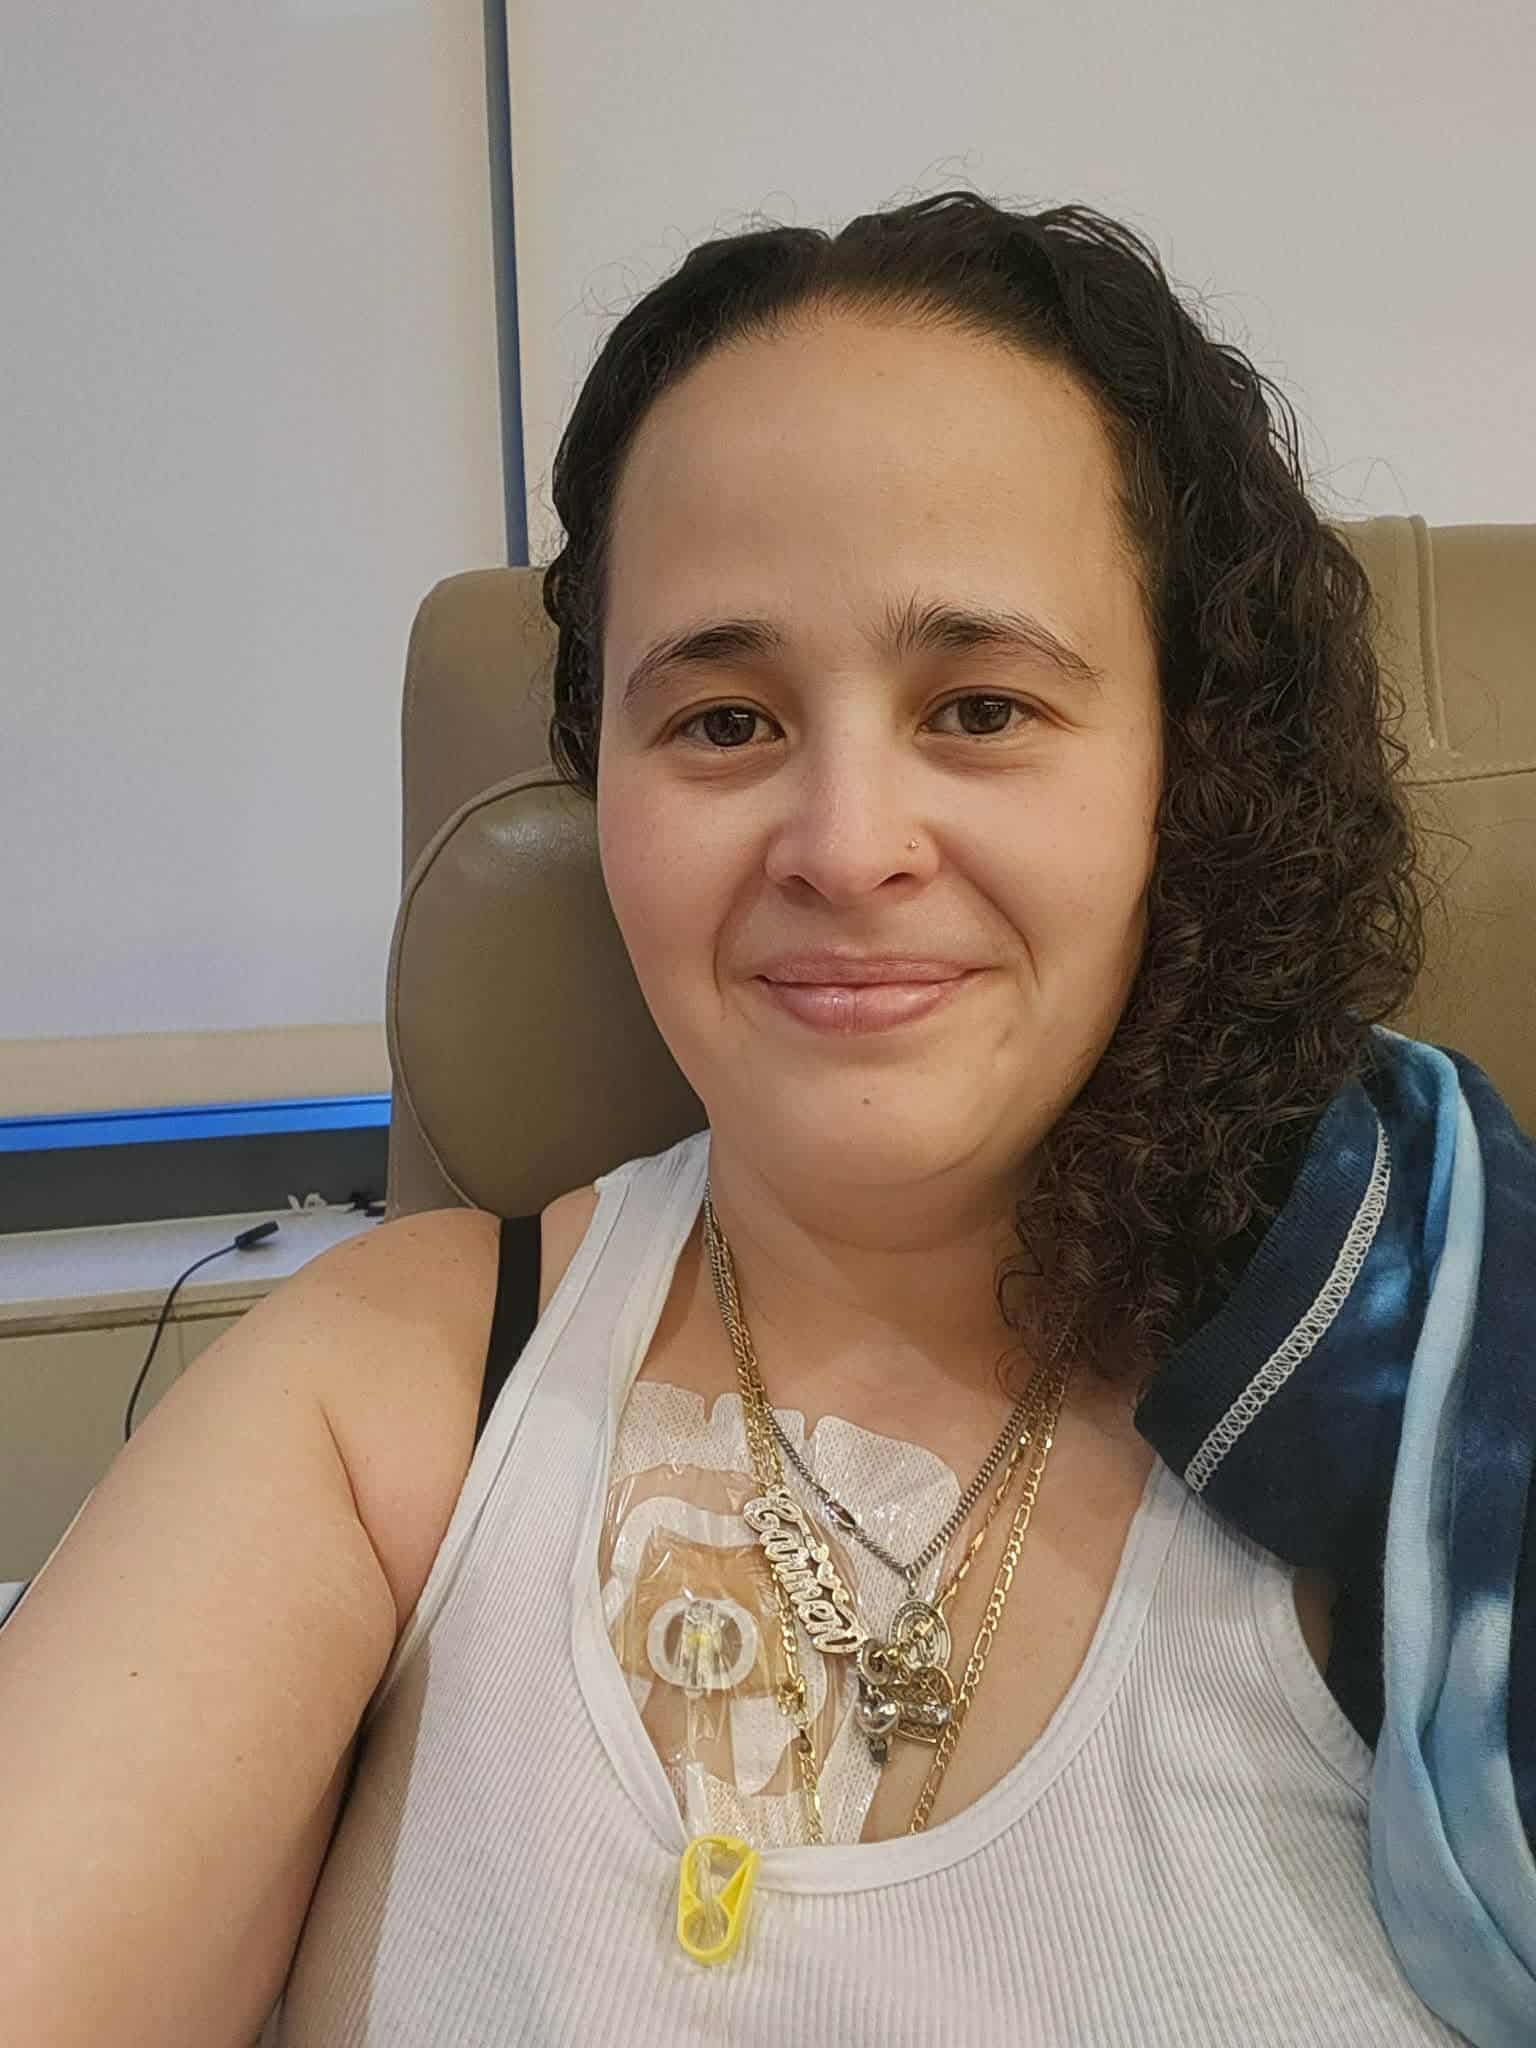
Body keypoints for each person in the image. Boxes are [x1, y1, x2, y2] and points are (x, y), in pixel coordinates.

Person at [1, 192, 1531, 2047]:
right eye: (725, 723)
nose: (846, 845)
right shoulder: (388, 1392)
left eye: (982, 706)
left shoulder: (1433, 1382)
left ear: (1183, 772)